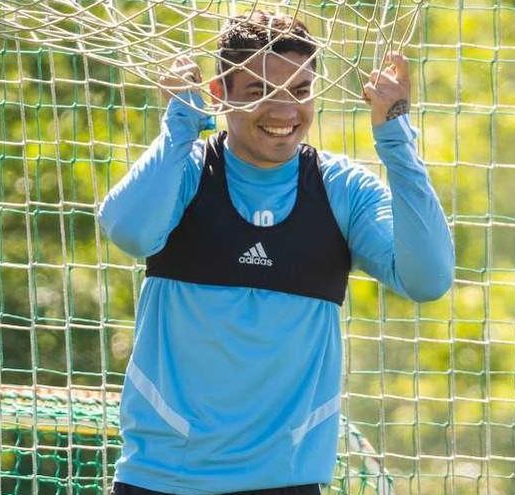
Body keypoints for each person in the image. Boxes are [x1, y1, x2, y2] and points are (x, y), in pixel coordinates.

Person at [97, 10, 454, 495]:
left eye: (301, 91)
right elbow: (129, 232)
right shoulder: (185, 172)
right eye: (259, 91)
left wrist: (395, 139)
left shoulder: (342, 189)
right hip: (163, 477)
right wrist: (180, 124)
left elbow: (428, 279)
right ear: (219, 93)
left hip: (287, 480)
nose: (285, 110)